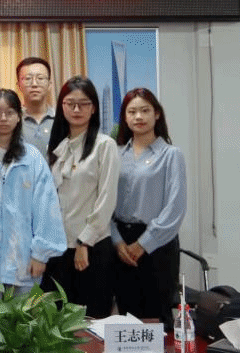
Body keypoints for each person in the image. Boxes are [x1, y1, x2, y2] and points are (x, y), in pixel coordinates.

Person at [0, 89, 65, 295]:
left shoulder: (32, 158)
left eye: (10, 112)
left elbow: (46, 207)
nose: (3, 118)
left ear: (19, 117)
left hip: (24, 260)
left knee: (23, 315)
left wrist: (40, 254)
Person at [44, 76, 120, 318]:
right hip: (58, 248)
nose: (76, 109)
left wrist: (84, 242)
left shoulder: (104, 145)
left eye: (84, 103)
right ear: (61, 106)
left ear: (93, 108)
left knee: (91, 322)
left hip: (91, 248)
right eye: (70, 103)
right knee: (57, 323)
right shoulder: (58, 147)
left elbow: (106, 199)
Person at [112, 88, 186, 329]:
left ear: (157, 114)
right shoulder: (116, 154)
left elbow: (175, 208)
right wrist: (118, 242)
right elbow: (104, 202)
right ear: (125, 117)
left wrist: (143, 244)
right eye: (132, 111)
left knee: (157, 320)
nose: (138, 117)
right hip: (121, 244)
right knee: (126, 320)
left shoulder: (171, 155)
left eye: (145, 110)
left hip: (157, 245)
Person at [16, 57, 55, 155]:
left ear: (49, 85)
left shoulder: (62, 119)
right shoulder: (12, 121)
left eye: (40, 78)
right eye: (28, 78)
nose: (34, 84)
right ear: (19, 85)